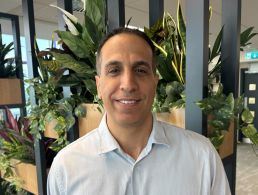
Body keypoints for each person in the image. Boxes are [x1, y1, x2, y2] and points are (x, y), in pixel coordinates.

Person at [47, 27, 231, 195]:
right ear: (99, 86)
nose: (128, 84)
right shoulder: (67, 167)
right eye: (114, 70)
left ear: (154, 82)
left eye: (141, 70)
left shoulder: (201, 156)